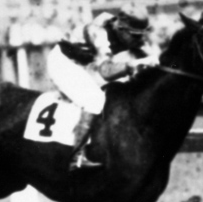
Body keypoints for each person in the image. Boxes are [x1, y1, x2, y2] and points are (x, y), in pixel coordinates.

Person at [45, 9, 157, 170]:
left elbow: (147, 52)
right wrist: (133, 64)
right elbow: (105, 71)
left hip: (85, 63)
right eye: (135, 35)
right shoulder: (100, 35)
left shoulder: (121, 27)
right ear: (121, 28)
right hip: (64, 63)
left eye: (141, 34)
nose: (139, 39)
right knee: (94, 100)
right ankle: (75, 156)